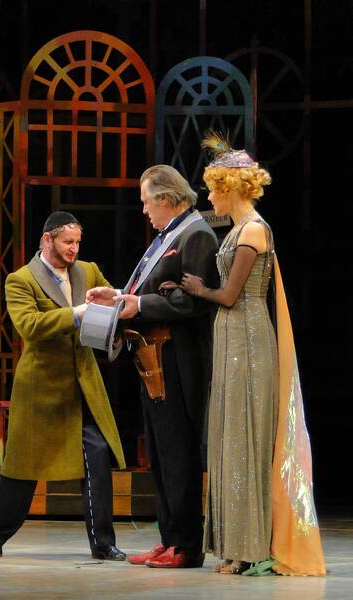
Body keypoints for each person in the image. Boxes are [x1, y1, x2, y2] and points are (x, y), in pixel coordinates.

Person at [162, 132, 326, 576]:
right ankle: (235, 546)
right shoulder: (238, 229)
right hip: (233, 336)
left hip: (248, 339)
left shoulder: (253, 229)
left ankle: (250, 547)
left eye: (214, 189)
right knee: (230, 437)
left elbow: (231, 295)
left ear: (231, 188)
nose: (209, 197)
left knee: (245, 437)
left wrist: (198, 289)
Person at [86, 165, 219, 568]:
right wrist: (118, 297)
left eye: (146, 202)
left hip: (177, 361)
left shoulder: (196, 235)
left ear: (165, 198)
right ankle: (169, 537)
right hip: (151, 358)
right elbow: (147, 291)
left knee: (178, 452)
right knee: (160, 454)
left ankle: (186, 546)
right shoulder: (166, 237)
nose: (144, 210)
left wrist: (139, 304)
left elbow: (193, 302)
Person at [0, 211, 126, 561]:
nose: (74, 248)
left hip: (82, 383)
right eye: (67, 242)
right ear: (47, 240)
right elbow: (29, 325)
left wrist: (115, 301)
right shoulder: (21, 280)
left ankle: (103, 543)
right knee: (22, 467)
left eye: (78, 242)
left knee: (96, 455)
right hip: (41, 386)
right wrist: (76, 314)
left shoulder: (88, 271)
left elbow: (115, 304)